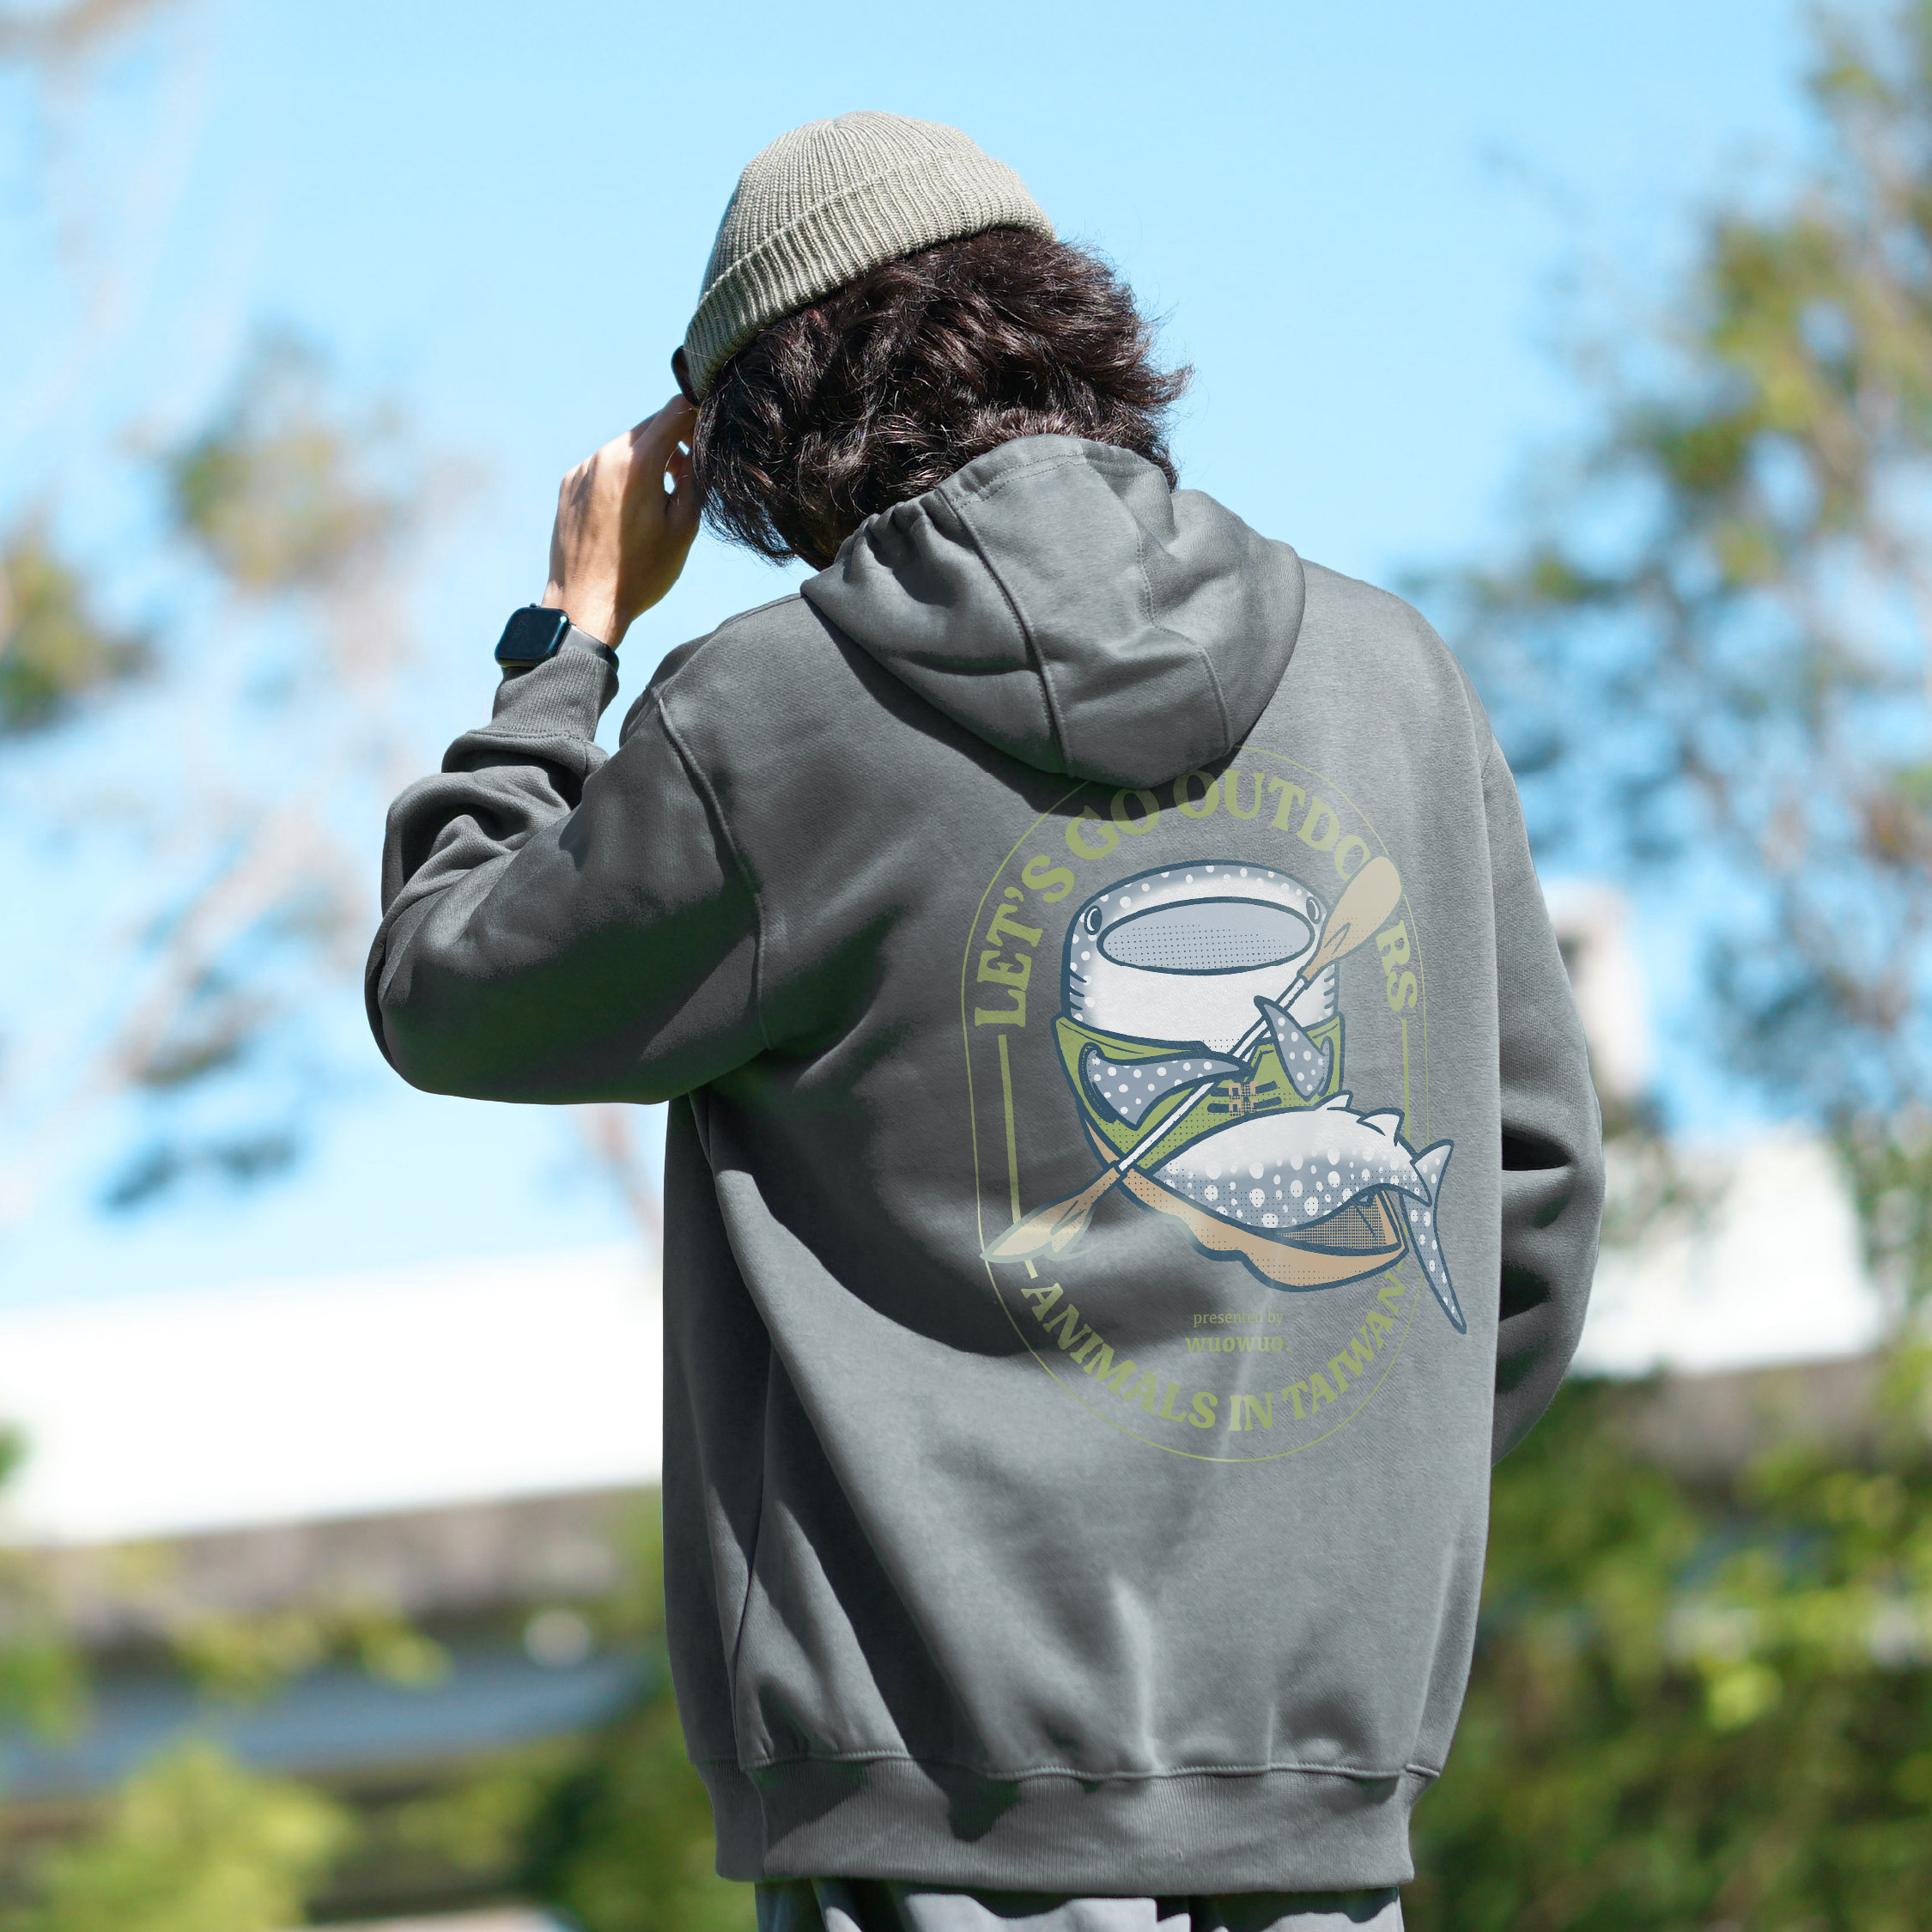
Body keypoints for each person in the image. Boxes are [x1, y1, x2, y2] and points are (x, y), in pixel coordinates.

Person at [368, 112, 1604, 1932]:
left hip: (933, 1822)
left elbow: (450, 989)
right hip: (1317, 1812)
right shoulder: (1392, 677)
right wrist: (1313, 1539)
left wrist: (566, 638)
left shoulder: (770, 719)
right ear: (1071, 323)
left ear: (752, 437)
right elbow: (1530, 1203)